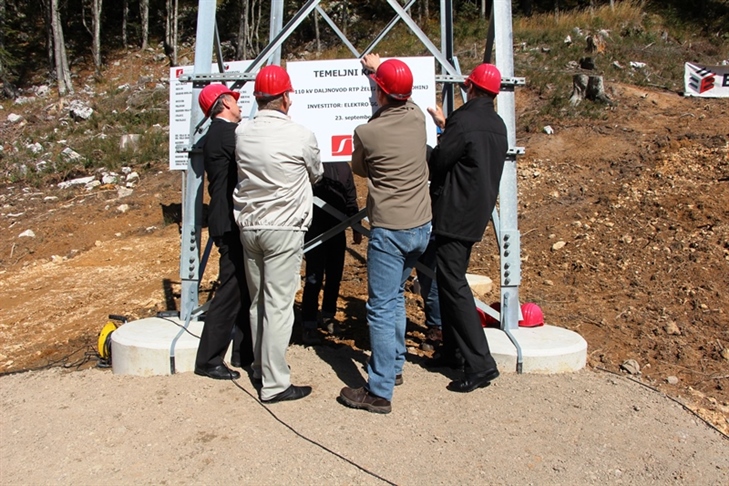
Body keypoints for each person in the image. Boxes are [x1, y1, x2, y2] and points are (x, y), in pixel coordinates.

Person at [338, 55, 432, 414]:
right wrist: (376, 72)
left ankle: (379, 391)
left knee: (380, 307)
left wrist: (373, 73)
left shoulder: (367, 133)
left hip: (391, 230)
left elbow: (359, 167)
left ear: (378, 91)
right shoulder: (418, 117)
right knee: (393, 298)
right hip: (421, 227)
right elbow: (393, 92)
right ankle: (393, 367)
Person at [233, 65, 323, 403]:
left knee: (258, 301)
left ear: (257, 98)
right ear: (286, 97)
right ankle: (274, 384)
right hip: (283, 228)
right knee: (279, 305)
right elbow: (316, 173)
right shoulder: (301, 135)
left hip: (250, 226)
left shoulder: (242, 132)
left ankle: (259, 366)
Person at [426, 63, 508, 392]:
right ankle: (453, 351)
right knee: (449, 282)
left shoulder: (464, 119)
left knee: (454, 285)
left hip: (453, 215)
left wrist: (434, 138)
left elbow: (440, 161)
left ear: (470, 87)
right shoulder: (497, 124)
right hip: (475, 215)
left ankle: (480, 363)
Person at [193, 83, 253, 381]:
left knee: (241, 285)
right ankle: (208, 358)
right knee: (231, 288)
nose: (240, 105)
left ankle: (243, 352)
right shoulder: (226, 135)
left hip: (226, 219)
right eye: (235, 100)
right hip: (229, 221)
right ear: (224, 103)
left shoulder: (216, 135)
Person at [301, 162, 361, 345]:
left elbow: (350, 196)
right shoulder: (311, 164)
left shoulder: (343, 167)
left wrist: (356, 227)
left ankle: (328, 315)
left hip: (338, 228)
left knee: (334, 276)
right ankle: (309, 323)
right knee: (313, 277)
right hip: (315, 230)